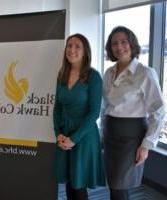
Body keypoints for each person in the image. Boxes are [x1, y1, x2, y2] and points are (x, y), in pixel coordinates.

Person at [102, 26, 165, 200]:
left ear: (132, 44)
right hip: (110, 134)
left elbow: (158, 111)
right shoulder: (108, 73)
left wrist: (146, 145)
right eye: (114, 43)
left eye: (124, 42)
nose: (119, 47)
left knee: (119, 184)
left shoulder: (145, 73)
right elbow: (105, 106)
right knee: (114, 184)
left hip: (131, 137)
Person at [53, 34, 106, 200]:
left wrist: (74, 139)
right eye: (69, 46)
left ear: (85, 52)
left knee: (79, 185)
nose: (72, 50)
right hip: (65, 134)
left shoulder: (94, 77)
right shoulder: (62, 74)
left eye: (77, 46)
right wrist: (58, 134)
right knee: (69, 181)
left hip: (84, 136)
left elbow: (94, 113)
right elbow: (57, 107)